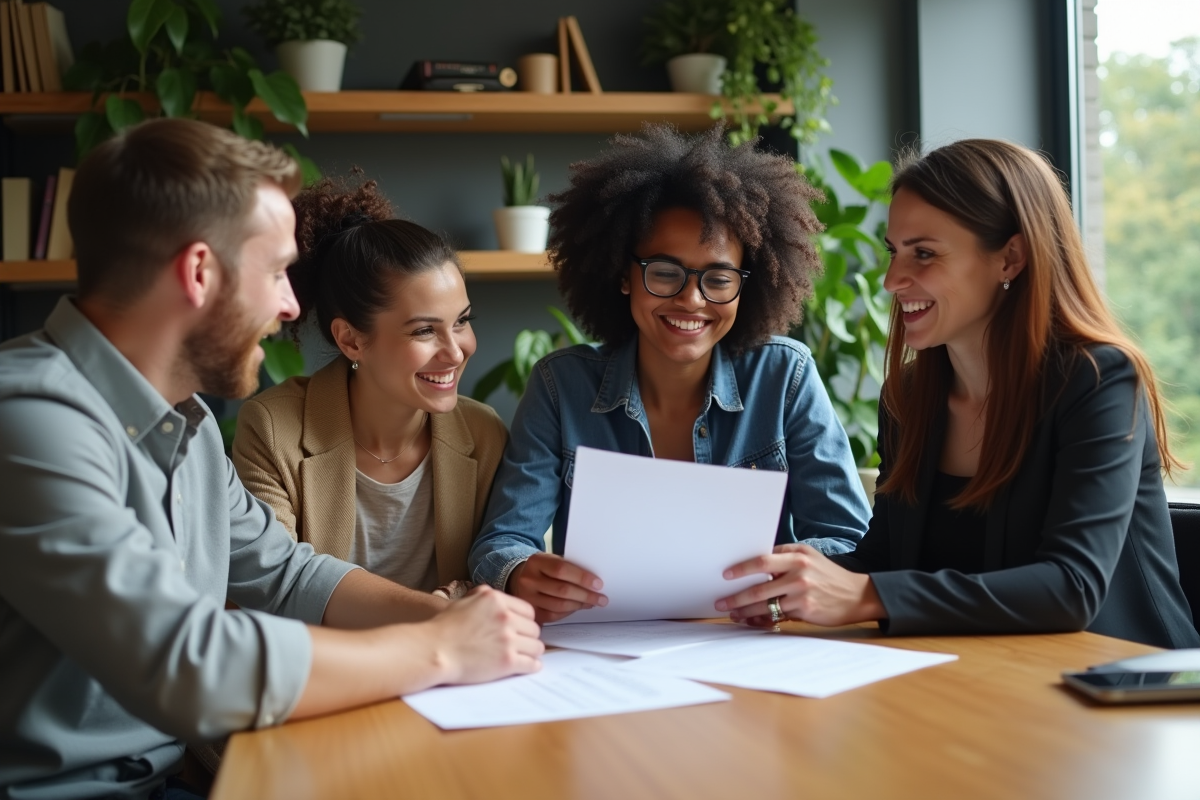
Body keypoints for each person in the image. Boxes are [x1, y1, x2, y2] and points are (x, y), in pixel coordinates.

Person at [0, 119, 543, 800]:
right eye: (276, 271)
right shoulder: (29, 418)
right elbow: (188, 661)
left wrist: (445, 618)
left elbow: (288, 575)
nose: (291, 306)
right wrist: (441, 650)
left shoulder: (188, 425)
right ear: (200, 272)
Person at [717, 138, 1200, 650]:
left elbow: (1072, 588)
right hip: (992, 675)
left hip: (1128, 681)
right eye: (894, 252)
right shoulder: (909, 398)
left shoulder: (1098, 381)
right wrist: (774, 576)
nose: (892, 280)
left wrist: (867, 595)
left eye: (924, 254)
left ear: (1010, 258)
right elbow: (884, 561)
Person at [467, 125, 871, 623]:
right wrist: (518, 572)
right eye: (664, 273)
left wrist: (781, 581)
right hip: (606, 647)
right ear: (624, 275)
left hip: (755, 645)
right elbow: (502, 542)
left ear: (746, 286)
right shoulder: (560, 386)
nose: (691, 300)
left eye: (718, 278)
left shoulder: (785, 376)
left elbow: (848, 540)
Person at [233, 176, 505, 598]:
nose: (456, 351)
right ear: (351, 340)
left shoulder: (484, 434)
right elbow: (273, 590)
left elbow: (498, 570)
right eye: (424, 331)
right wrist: (437, 614)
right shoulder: (273, 429)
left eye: (461, 321)